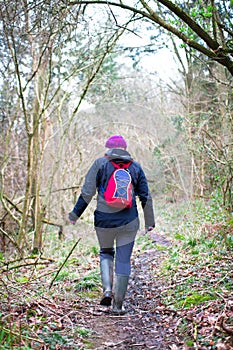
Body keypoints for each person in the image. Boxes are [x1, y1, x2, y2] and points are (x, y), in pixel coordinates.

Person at [69, 135, 155, 314]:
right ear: (125, 148)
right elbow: (145, 196)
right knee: (123, 260)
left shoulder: (100, 164)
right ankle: (118, 306)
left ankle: (107, 289)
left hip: (104, 220)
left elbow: (87, 193)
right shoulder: (136, 167)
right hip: (129, 221)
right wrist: (149, 222)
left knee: (106, 252)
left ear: (108, 148)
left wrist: (75, 214)